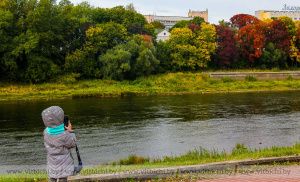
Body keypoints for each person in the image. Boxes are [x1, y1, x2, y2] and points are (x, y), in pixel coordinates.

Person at [42, 106, 76, 182]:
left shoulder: (46, 132)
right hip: (64, 162)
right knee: (63, 178)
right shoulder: (64, 134)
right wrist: (70, 131)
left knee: (52, 178)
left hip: (51, 161)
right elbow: (72, 144)